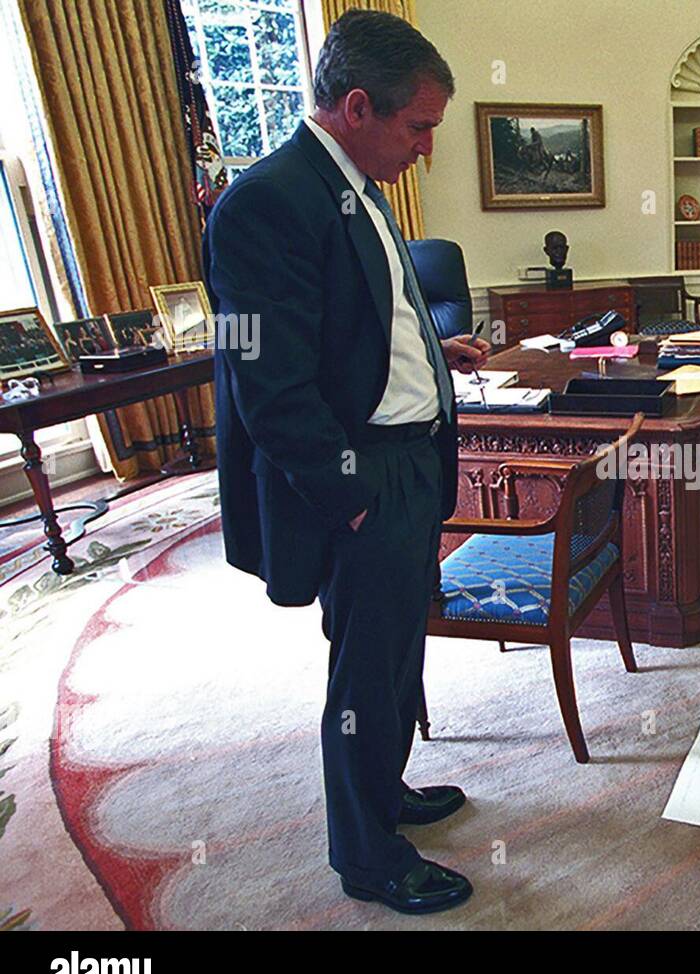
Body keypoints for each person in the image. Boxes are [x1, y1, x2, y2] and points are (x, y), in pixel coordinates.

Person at [203, 9, 489, 914]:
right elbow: (271, 385)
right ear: (358, 106)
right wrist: (353, 499)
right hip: (363, 479)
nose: (426, 149)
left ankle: (387, 792)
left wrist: (432, 360)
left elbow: (358, 324)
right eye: (419, 128)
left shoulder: (359, 182)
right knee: (365, 671)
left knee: (400, 652)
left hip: (409, 460)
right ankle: (367, 857)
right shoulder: (266, 201)